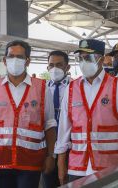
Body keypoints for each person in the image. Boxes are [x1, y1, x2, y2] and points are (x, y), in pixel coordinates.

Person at [0, 40, 57, 188]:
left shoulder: (42, 88)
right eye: (11, 56)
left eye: (20, 57)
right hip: (1, 161)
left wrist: (51, 155)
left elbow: (49, 124)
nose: (14, 60)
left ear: (27, 61)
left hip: (30, 161)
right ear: (4, 60)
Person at [55, 39, 118, 184]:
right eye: (80, 58)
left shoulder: (117, 86)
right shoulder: (71, 88)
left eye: (88, 57)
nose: (83, 62)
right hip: (77, 166)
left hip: (110, 165)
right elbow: (64, 129)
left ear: (101, 59)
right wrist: (61, 164)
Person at [43, 50, 71, 188]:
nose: (55, 69)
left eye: (59, 65)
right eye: (51, 65)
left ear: (67, 67)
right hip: (48, 144)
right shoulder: (41, 89)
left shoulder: (76, 87)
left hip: (70, 145)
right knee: (49, 181)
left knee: (68, 181)